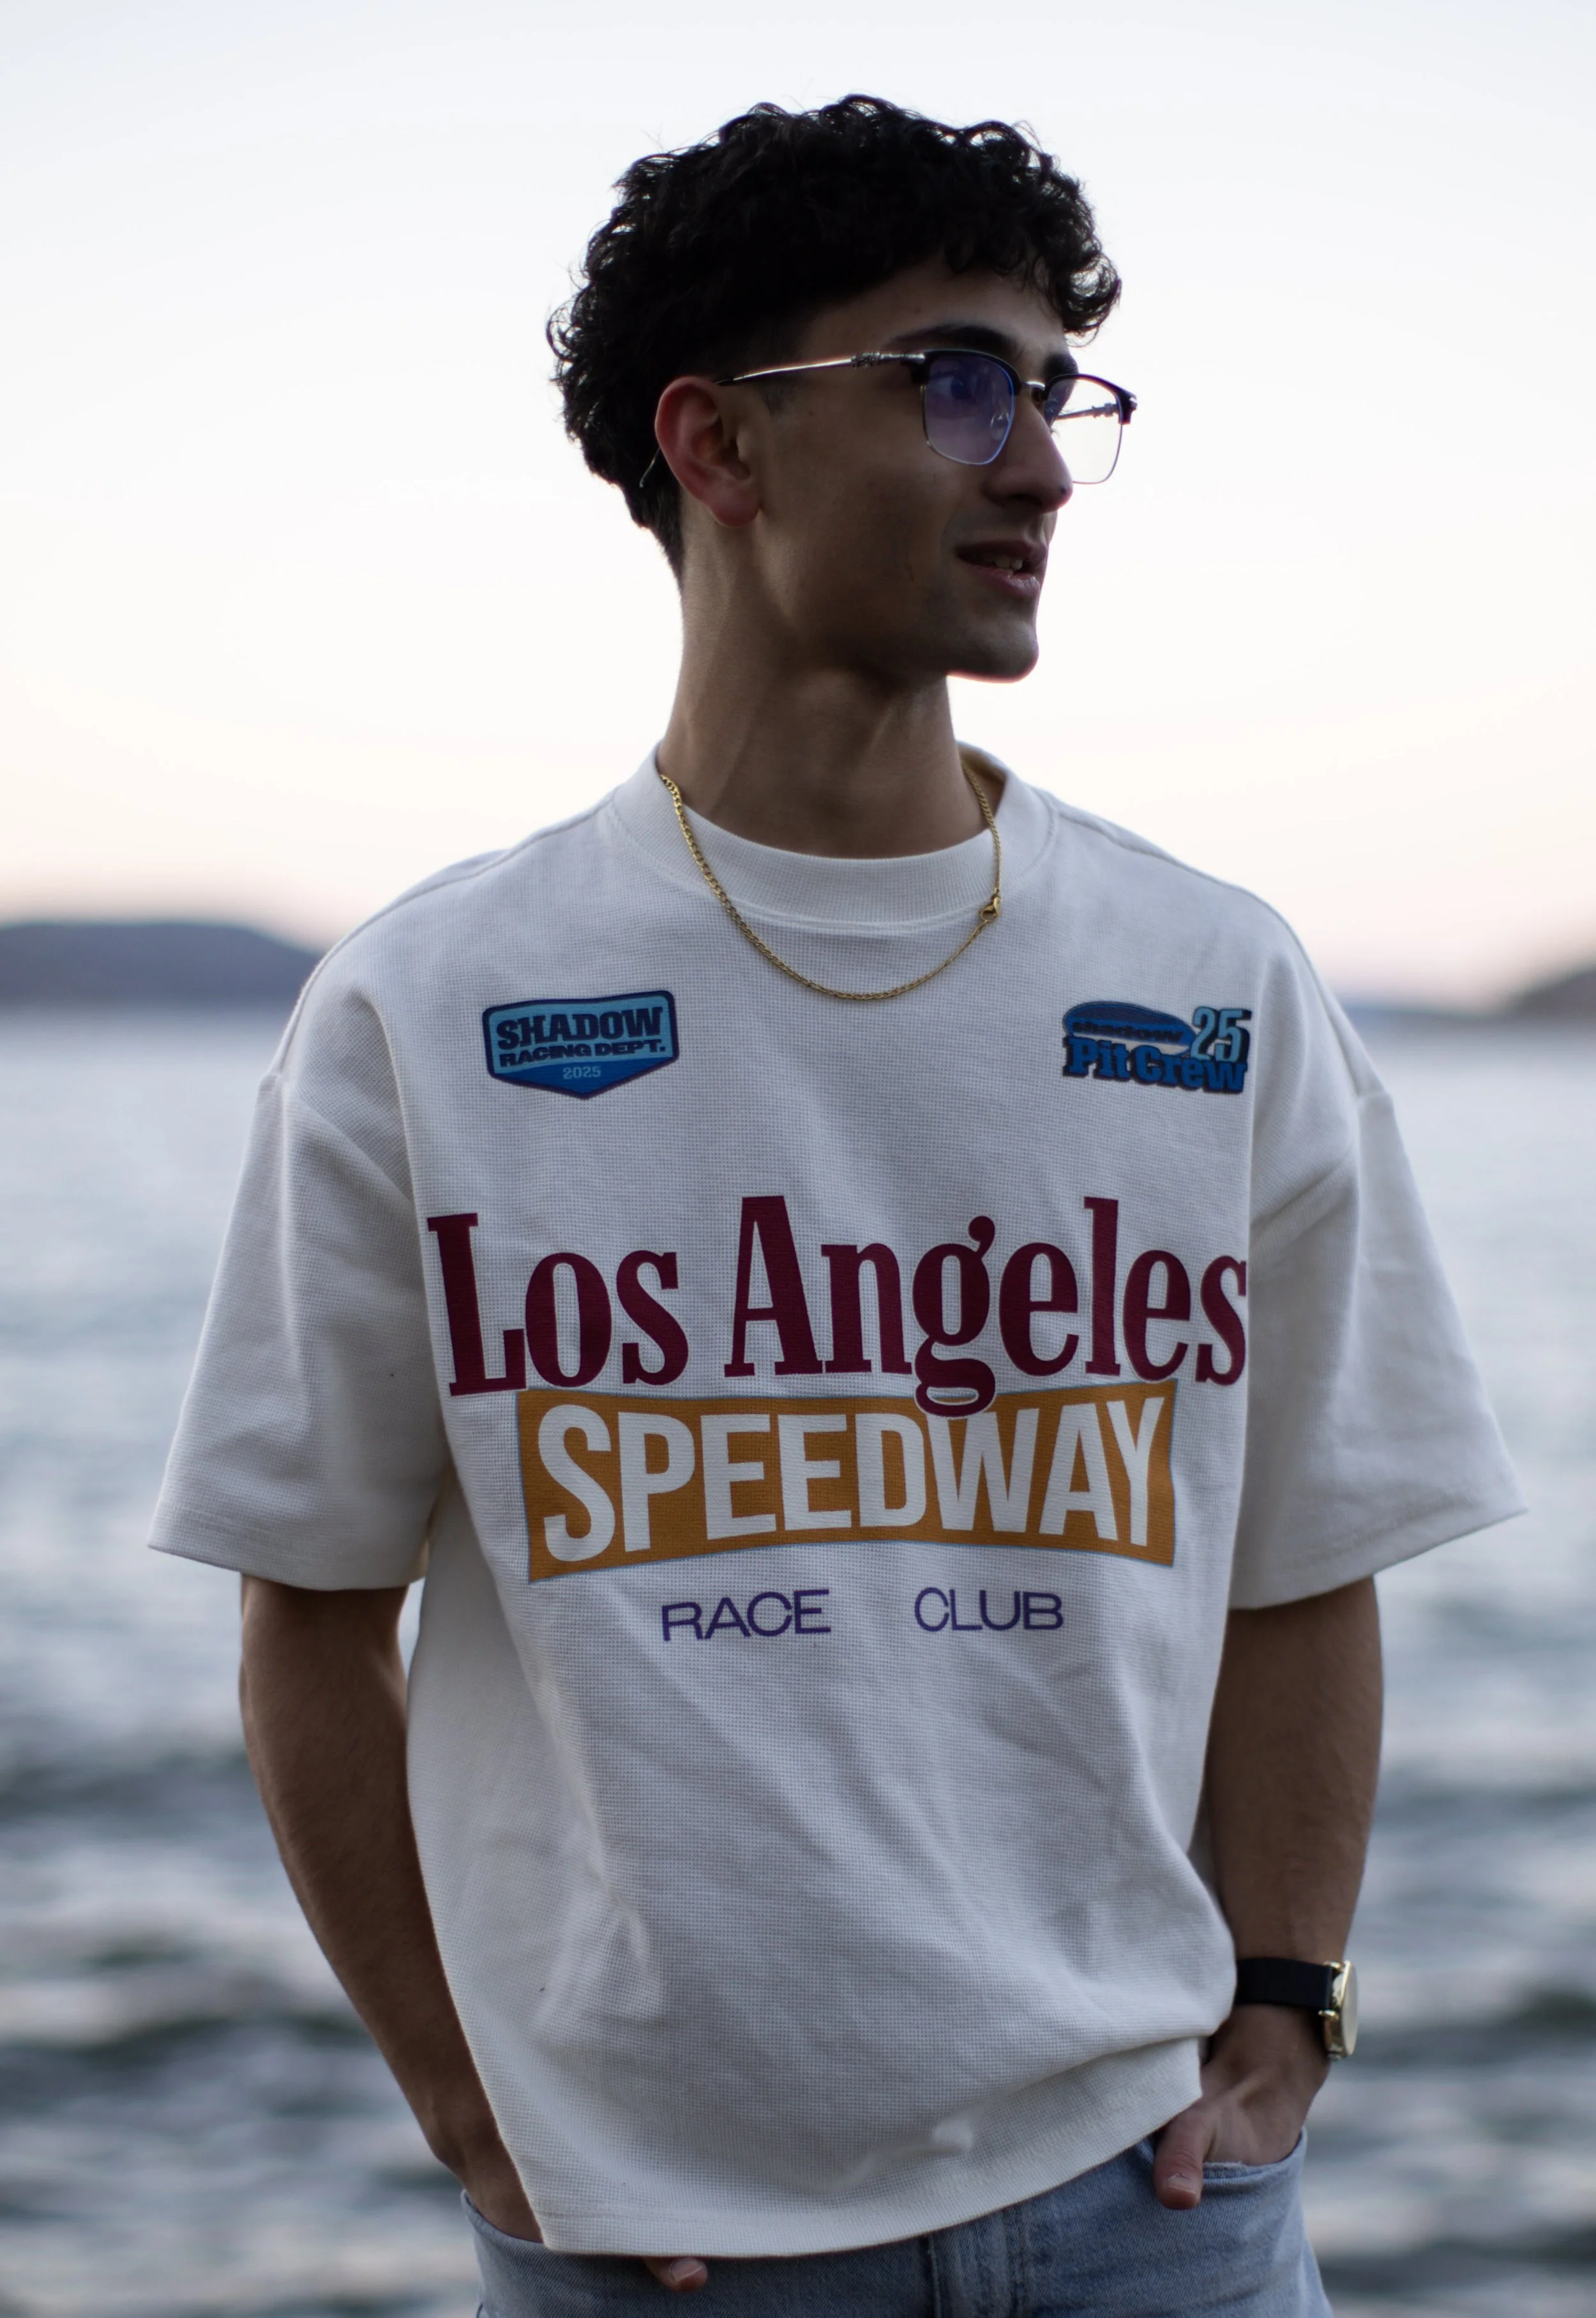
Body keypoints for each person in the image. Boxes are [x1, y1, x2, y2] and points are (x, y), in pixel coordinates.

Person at [150, 94, 1521, 2317]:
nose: (1042, 467)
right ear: (718, 444)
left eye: (1056, 392)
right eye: (957, 384)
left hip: (1151, 2207)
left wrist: (1286, 2000)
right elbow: (307, 1613)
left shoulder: (1209, 977)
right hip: (665, 2248)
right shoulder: (436, 1003)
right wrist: (469, 2104)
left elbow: (1304, 1554)